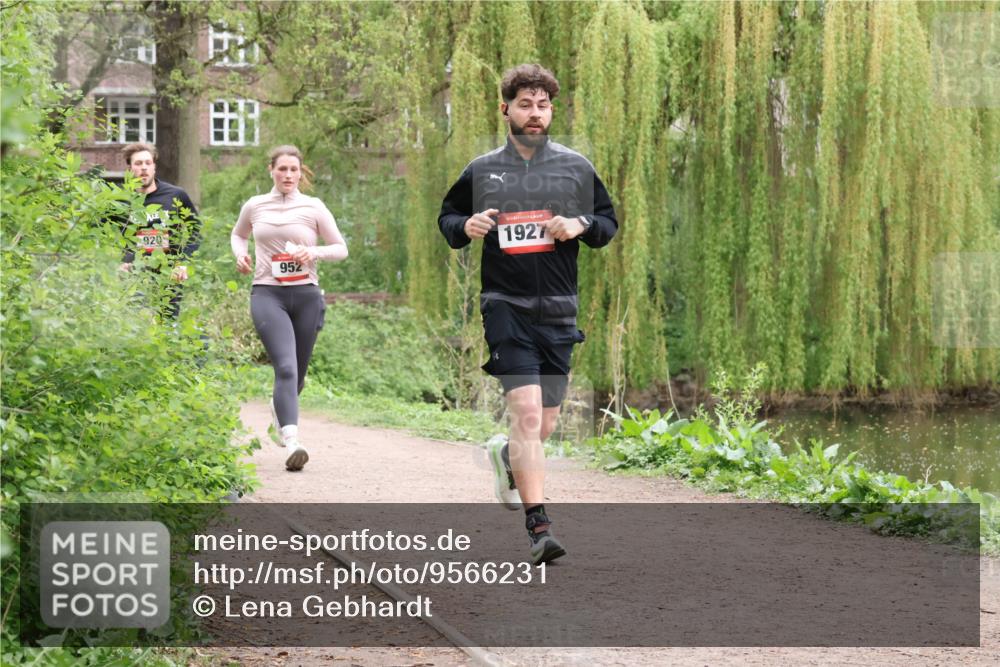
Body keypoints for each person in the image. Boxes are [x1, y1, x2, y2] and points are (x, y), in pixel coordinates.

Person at [438, 64, 618, 564]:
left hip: (558, 311)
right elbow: (448, 218)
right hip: (505, 307)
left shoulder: (575, 167)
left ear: (551, 111)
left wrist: (580, 224)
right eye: (525, 105)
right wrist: (465, 225)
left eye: (542, 105)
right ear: (506, 110)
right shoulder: (482, 170)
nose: (534, 113)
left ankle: (505, 455)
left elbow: (607, 223)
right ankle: (540, 528)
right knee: (528, 413)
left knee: (545, 424)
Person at [231, 145, 348, 472]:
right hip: (267, 294)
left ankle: (279, 408)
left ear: (301, 172)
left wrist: (314, 253)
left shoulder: (313, 206)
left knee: (297, 375)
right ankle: (293, 442)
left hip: (306, 295)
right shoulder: (255, 205)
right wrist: (240, 255)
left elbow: (341, 248)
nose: (288, 175)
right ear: (271, 170)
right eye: (282, 169)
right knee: (285, 367)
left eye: (294, 170)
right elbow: (238, 235)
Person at [118, 142, 201, 320]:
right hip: (134, 274)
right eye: (138, 163)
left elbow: (196, 230)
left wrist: (183, 262)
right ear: (130, 168)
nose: (144, 168)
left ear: (154, 166)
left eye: (148, 163)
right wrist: (121, 261)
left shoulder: (175, 195)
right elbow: (107, 235)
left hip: (169, 273)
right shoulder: (121, 200)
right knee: (137, 325)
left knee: (167, 326)